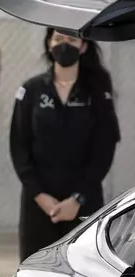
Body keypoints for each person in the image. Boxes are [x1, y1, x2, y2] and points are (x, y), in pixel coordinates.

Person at [9, 28, 120, 262]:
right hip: (39, 204)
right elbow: (19, 147)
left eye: (71, 39)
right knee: (36, 274)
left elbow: (104, 151)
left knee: (84, 273)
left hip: (84, 201)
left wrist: (78, 199)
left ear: (84, 47)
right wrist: (40, 196)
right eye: (58, 38)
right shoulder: (31, 91)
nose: (64, 45)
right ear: (49, 44)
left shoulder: (98, 93)